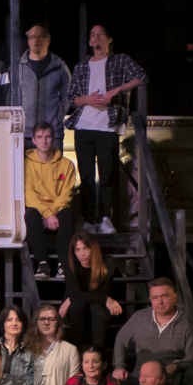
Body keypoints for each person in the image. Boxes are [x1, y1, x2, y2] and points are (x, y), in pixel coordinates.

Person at [66, 25, 149, 234]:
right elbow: (72, 98)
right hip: (83, 127)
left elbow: (142, 77)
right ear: (89, 41)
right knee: (85, 176)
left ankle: (105, 218)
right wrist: (87, 99)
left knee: (107, 175)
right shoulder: (82, 66)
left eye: (101, 34)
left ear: (109, 39)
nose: (96, 37)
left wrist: (117, 89)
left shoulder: (120, 60)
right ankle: (88, 219)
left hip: (107, 127)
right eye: (93, 35)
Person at [112, 278, 193, 385]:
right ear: (150, 299)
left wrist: (176, 366)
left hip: (171, 379)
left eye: (164, 296)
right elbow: (120, 340)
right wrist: (119, 366)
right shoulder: (139, 317)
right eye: (155, 298)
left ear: (174, 297)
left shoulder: (187, 322)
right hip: (141, 379)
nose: (160, 302)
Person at [25, 122, 76, 279]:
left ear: (53, 138)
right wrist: (47, 213)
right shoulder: (26, 164)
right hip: (38, 209)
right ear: (34, 140)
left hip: (57, 209)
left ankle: (63, 265)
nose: (44, 141)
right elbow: (28, 194)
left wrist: (51, 214)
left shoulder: (67, 164)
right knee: (31, 215)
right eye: (40, 137)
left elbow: (66, 195)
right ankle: (42, 264)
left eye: (47, 136)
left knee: (67, 215)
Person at [61, 231, 120, 347]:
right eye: (78, 250)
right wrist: (106, 299)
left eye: (86, 248)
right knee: (78, 307)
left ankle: (97, 353)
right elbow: (76, 295)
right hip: (77, 306)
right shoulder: (69, 262)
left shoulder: (108, 262)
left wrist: (74, 297)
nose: (82, 254)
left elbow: (102, 292)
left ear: (93, 248)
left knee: (96, 308)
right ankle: (79, 353)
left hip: (98, 305)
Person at [19, 25, 71, 151]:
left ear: (49, 39)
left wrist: (57, 118)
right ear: (28, 41)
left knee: (54, 165)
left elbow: (68, 96)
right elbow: (11, 97)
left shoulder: (59, 66)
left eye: (41, 36)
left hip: (52, 135)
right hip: (24, 134)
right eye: (33, 37)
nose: (37, 40)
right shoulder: (18, 67)